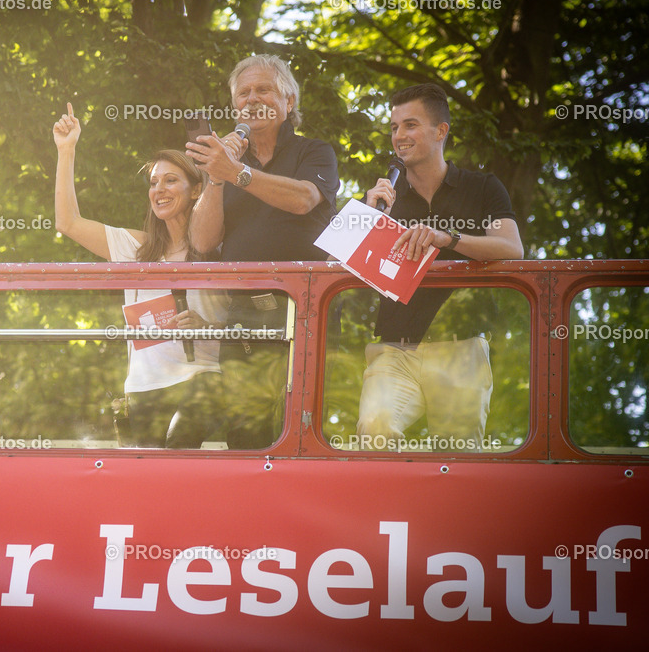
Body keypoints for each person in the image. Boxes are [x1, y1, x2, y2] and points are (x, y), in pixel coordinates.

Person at [357, 83, 524, 450]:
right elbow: (331, 266)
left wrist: (447, 238)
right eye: (394, 127)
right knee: (375, 429)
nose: (399, 136)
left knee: (458, 456)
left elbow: (512, 248)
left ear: (441, 131)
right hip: (394, 348)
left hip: (461, 347)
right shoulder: (381, 198)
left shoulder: (482, 187)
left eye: (410, 125)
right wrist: (366, 217)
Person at [185, 54, 341, 448]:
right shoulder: (228, 163)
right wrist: (217, 179)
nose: (253, 99)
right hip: (242, 316)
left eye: (264, 89)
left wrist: (238, 173)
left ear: (289, 102)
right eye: (244, 93)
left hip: (305, 310)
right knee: (246, 434)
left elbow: (304, 199)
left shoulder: (315, 151)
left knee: (305, 431)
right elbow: (202, 243)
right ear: (235, 107)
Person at [53, 102, 227, 448]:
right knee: (145, 486)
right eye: (153, 182)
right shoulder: (134, 249)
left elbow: (247, 320)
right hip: (142, 387)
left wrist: (205, 327)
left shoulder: (216, 248)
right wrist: (66, 148)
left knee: (176, 449)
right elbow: (67, 223)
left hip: (202, 380)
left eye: (171, 180)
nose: (158, 189)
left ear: (196, 190)